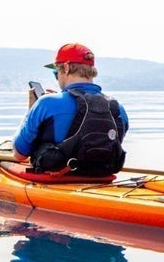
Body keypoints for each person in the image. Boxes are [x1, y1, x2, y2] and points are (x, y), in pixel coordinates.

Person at [11, 43, 129, 176]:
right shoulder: (118, 108)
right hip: (100, 178)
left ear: (66, 68)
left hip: (57, 180)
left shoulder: (46, 103)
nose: (57, 78)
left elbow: (19, 154)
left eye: (56, 73)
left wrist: (32, 109)